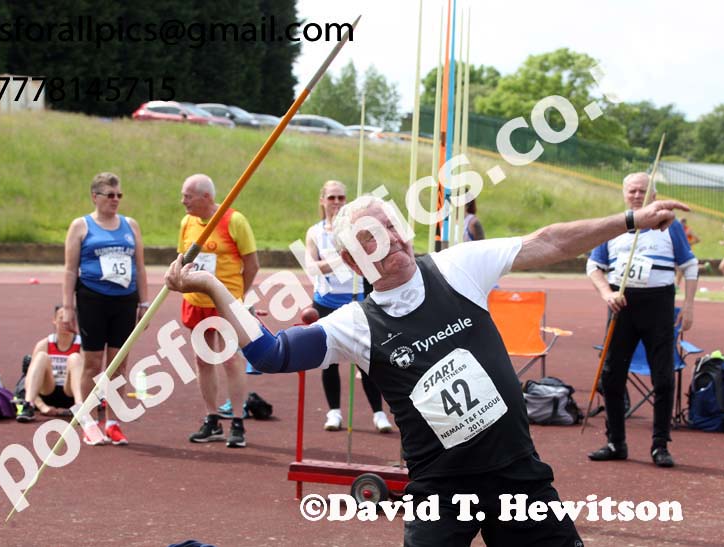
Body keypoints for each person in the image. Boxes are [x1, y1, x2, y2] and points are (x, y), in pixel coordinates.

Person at [165, 192, 687, 546]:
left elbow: (547, 241)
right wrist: (213, 288)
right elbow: (269, 354)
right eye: (372, 238)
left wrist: (631, 220)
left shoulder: (458, 266)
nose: (392, 239)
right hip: (441, 487)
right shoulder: (356, 324)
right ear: (352, 263)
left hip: (517, 475)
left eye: (391, 225)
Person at [586, 173, 698, 468]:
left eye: (643, 190)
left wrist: (688, 306)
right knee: (611, 376)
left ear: (654, 194)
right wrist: (606, 293)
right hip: (622, 307)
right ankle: (615, 442)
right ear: (624, 194)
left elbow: (690, 266)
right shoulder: (614, 226)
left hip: (659, 305)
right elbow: (593, 266)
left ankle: (660, 445)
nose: (637, 195)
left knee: (662, 376)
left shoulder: (669, 226)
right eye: (632, 191)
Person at [62, 172, 148, 446]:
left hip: (124, 300)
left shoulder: (130, 225)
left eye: (119, 195)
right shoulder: (81, 226)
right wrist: (67, 308)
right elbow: (69, 269)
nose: (115, 200)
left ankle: (112, 422)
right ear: (95, 196)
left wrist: (144, 303)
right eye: (110, 195)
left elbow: (141, 267)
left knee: (119, 364)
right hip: (92, 299)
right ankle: (88, 421)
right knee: (92, 363)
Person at [179, 174, 259, 448]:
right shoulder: (187, 222)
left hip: (224, 303)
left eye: (188, 197)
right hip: (196, 302)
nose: (183, 201)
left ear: (206, 197)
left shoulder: (234, 220)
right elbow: (182, 261)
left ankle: (238, 421)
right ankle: (212, 418)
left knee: (230, 360)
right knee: (203, 361)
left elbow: (252, 264)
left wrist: (237, 297)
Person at [305, 180, 392, 433]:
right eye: (331, 197)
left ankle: (378, 413)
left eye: (341, 198)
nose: (336, 202)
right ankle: (334, 413)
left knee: (366, 359)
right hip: (325, 303)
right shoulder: (315, 232)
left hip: (356, 301)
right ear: (322, 200)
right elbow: (311, 267)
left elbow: (371, 260)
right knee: (328, 360)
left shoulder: (356, 230)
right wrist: (341, 259)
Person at [16, 305, 85, 422]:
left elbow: (91, 376)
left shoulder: (82, 345)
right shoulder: (44, 344)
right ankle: (28, 405)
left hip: (71, 393)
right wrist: (42, 406)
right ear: (54, 320)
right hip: (48, 391)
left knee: (75, 358)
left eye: (69, 319)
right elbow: (28, 380)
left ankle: (81, 408)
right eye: (61, 318)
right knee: (41, 356)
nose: (65, 322)